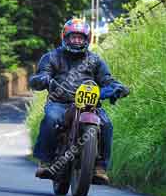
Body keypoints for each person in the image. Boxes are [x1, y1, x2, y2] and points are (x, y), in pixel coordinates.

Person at [30, 18, 129, 184]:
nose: (77, 41)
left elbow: (107, 79)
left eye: (80, 38)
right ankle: (45, 161)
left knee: (107, 124)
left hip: (89, 105)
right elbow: (40, 76)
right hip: (61, 103)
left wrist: (117, 88)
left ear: (87, 39)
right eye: (73, 37)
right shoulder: (52, 57)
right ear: (65, 37)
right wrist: (43, 79)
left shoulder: (95, 60)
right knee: (51, 119)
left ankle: (99, 167)